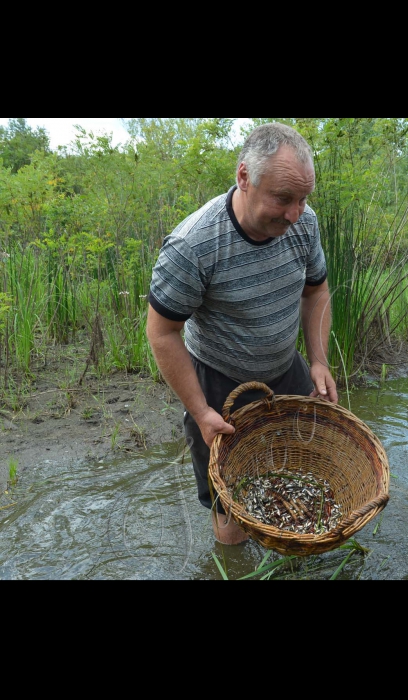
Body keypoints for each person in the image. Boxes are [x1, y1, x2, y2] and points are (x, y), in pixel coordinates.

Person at [146, 122, 339, 546]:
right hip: (218, 382)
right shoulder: (194, 245)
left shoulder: (304, 224)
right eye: (283, 198)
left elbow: (317, 289)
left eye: (303, 199)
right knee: (229, 509)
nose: (295, 213)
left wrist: (319, 361)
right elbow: (162, 333)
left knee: (295, 479)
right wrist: (200, 413)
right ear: (244, 178)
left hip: (287, 371)